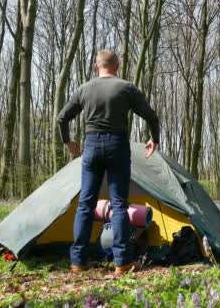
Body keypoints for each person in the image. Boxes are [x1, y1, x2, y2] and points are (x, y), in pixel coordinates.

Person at [56, 49, 160, 275]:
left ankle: (77, 261)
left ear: (97, 66)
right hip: (117, 145)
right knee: (119, 204)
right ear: (117, 66)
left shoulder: (85, 88)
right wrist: (154, 139)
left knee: (86, 203)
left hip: (91, 145)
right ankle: (122, 262)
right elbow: (151, 116)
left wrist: (68, 142)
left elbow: (62, 117)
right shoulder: (126, 87)